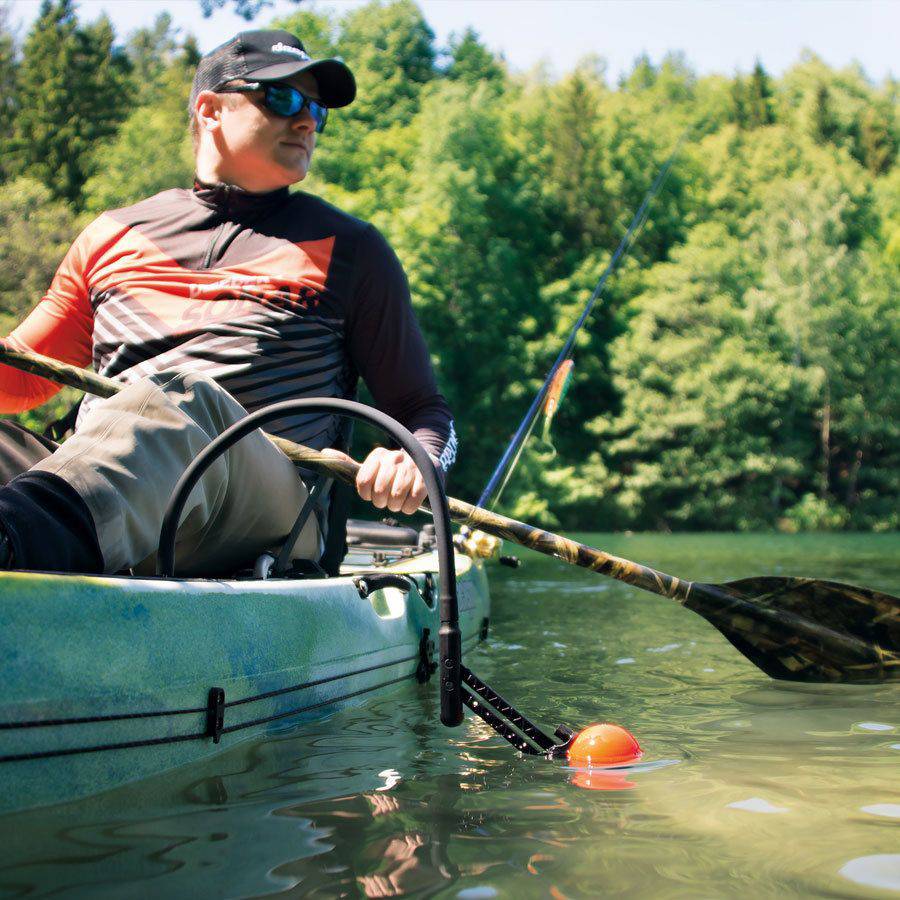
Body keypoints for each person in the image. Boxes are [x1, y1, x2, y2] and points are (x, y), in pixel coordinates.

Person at [0, 29, 457, 576]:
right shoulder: (110, 235)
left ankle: (15, 540)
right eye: (283, 98)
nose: (307, 121)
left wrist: (418, 460)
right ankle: (28, 536)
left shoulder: (352, 250)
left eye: (316, 109)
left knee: (181, 397)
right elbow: (20, 378)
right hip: (100, 487)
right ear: (210, 110)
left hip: (266, 512)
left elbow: (424, 410)